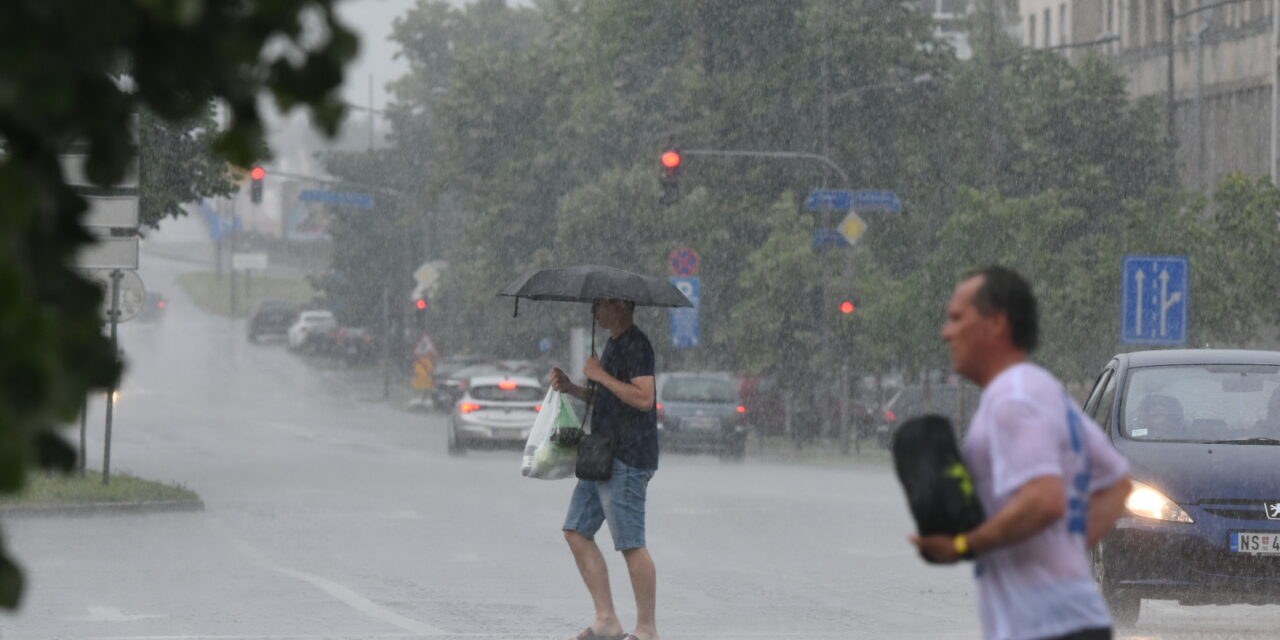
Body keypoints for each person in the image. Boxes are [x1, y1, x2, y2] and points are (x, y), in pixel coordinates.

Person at [911, 266, 1133, 640]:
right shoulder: (1043, 388)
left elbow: (1044, 500)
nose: (946, 332)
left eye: (957, 318)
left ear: (997, 323)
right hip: (1070, 615)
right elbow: (1117, 485)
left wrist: (962, 545)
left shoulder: (1011, 401)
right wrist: (1063, 559)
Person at [550, 298, 660, 640]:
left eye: (602, 305)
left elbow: (644, 398)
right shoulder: (612, 344)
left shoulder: (637, 344)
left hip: (628, 456)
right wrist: (573, 388)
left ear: (622, 307)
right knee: (576, 531)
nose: (596, 311)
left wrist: (600, 375)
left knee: (630, 542)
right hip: (601, 455)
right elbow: (608, 397)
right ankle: (607, 619)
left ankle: (646, 629)